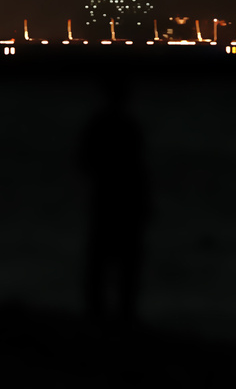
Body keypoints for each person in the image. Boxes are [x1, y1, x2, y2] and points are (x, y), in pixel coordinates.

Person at [77, 73, 149, 321]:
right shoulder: (129, 127)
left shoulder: (100, 125)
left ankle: (99, 313)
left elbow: (83, 161)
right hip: (124, 200)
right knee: (126, 264)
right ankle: (122, 315)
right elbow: (138, 167)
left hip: (106, 199)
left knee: (101, 261)